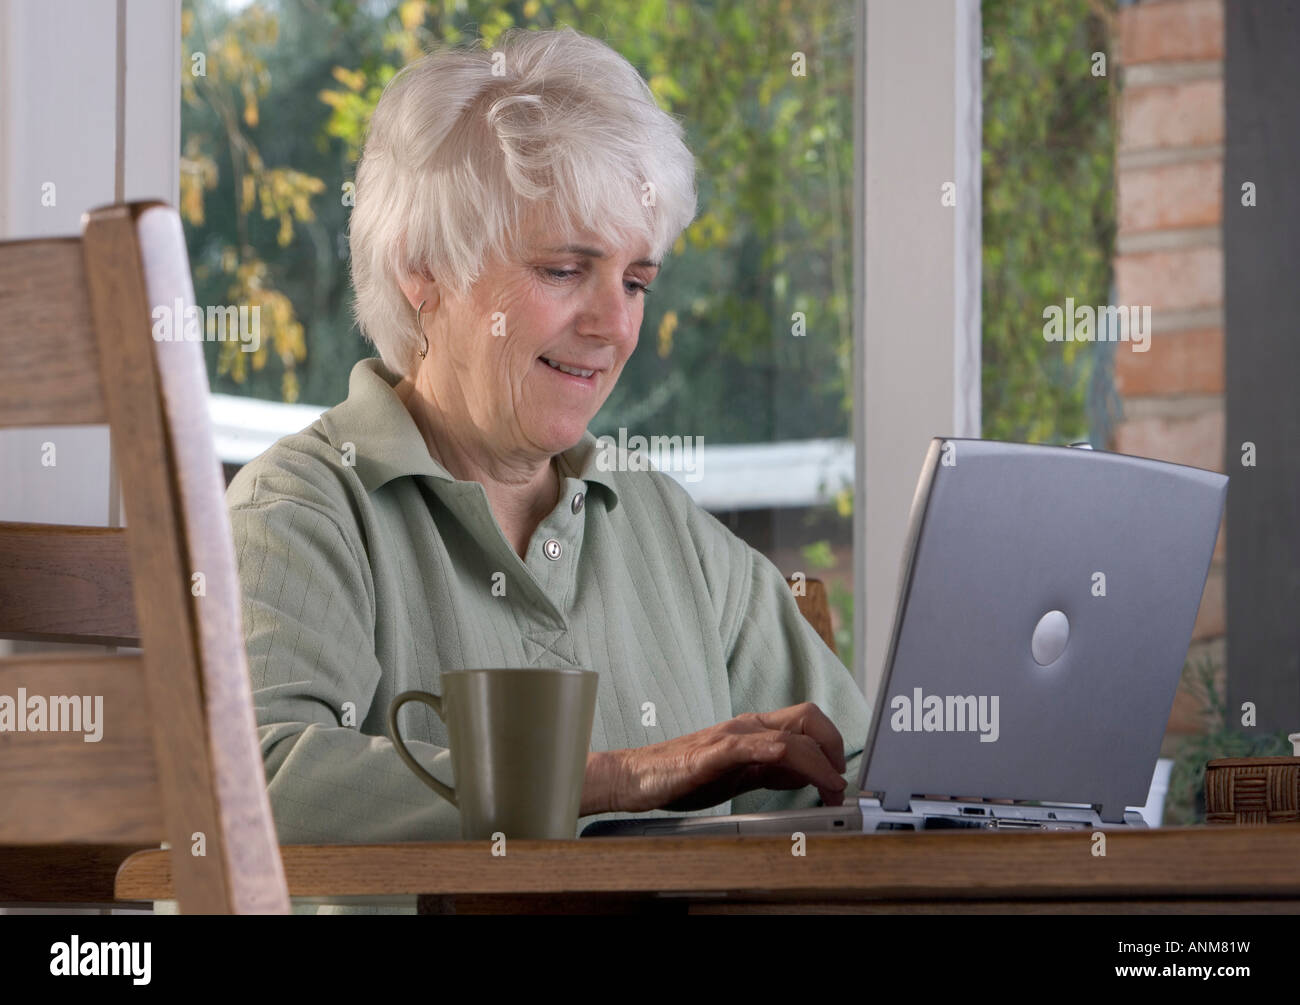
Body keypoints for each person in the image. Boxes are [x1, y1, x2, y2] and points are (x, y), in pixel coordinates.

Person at [164, 25, 872, 915]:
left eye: (636, 281)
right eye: (566, 268)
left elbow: (863, 783)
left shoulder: (668, 529)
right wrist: (615, 778)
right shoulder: (301, 509)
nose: (614, 324)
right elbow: (247, 791)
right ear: (422, 269)